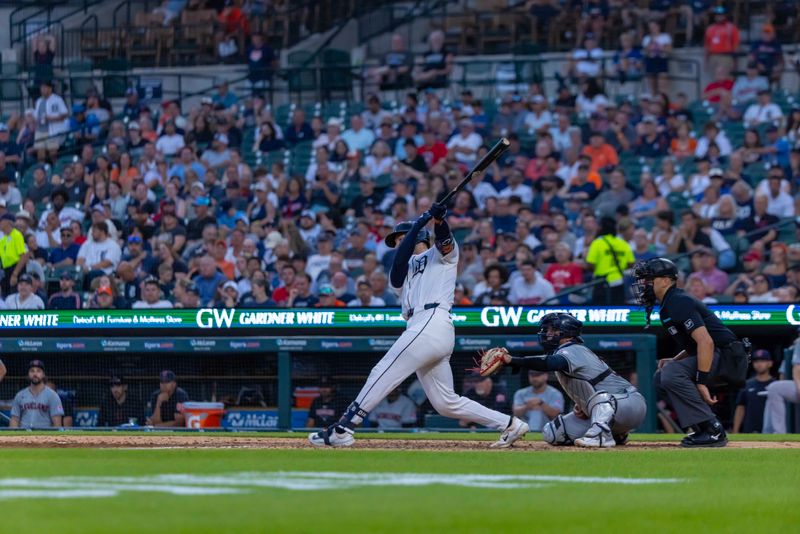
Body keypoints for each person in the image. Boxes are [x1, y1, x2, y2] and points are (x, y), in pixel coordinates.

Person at [309, 207, 528, 448]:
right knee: (445, 403)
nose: (399, 244)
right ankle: (510, 424)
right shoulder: (401, 272)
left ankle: (344, 427)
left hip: (433, 320)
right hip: (420, 326)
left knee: (383, 369)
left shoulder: (442, 256)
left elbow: (444, 239)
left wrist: (439, 220)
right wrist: (417, 227)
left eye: (402, 238)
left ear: (421, 237)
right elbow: (400, 261)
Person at [633, 258, 747, 447]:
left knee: (671, 373)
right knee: (662, 375)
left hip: (727, 356)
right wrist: (674, 359)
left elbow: (706, 342)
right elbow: (695, 346)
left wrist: (700, 381)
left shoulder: (678, 300)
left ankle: (713, 429)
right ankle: (702, 427)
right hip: (717, 354)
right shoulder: (669, 303)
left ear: (666, 280)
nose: (645, 285)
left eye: (649, 279)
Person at [493, 313, 646, 448]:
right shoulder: (567, 350)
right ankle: (616, 434)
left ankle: (601, 437)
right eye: (547, 330)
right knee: (552, 433)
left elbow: (549, 363)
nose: (547, 333)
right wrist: (584, 406)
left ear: (566, 333)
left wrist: (512, 360)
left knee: (602, 398)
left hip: (629, 403)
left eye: (552, 330)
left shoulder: (573, 348)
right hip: (611, 411)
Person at [585, 217, 634, 305]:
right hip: (618, 282)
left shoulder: (597, 243)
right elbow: (631, 263)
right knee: (618, 311)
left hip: (601, 282)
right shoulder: (623, 243)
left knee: (600, 311)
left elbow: (590, 264)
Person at [761, 329, 800, 434]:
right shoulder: (794, 347)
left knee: (774, 388)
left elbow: (797, 368)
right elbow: (784, 373)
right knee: (774, 389)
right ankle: (771, 432)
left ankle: (777, 432)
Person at [9, 360, 64, 429]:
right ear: (28, 374)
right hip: (24, 435)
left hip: (44, 435)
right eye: (32, 371)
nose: (35, 374)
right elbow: (14, 419)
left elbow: (57, 424)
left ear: (43, 374)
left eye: (38, 371)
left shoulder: (53, 396)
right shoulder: (20, 395)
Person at [732, 350, 774, 434]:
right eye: (756, 361)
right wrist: (735, 430)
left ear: (770, 363)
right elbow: (740, 407)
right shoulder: (747, 384)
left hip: (771, 429)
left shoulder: (776, 385)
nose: (759, 364)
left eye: (763, 361)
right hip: (750, 429)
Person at [0, 212, 29, 297]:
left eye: (1, 221)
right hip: (5, 270)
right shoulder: (3, 239)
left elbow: (24, 256)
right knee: (6, 296)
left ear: (8, 222)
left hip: (16, 269)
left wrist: (15, 274)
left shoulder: (17, 235)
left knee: (14, 296)